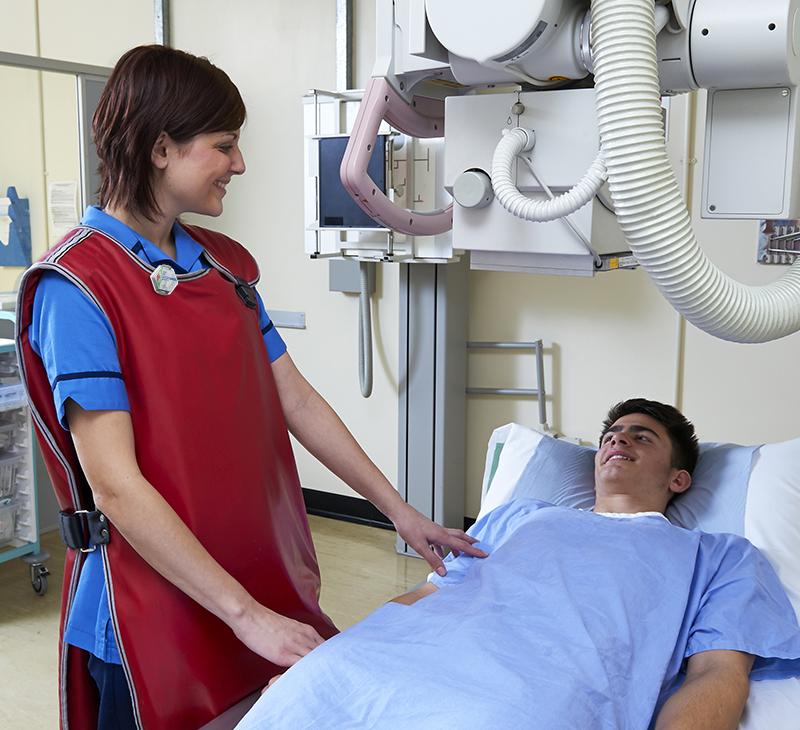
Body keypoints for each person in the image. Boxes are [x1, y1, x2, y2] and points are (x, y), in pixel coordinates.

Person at [15, 45, 484, 730]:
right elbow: (114, 486)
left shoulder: (226, 270)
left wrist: (400, 512)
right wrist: (245, 616)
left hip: (256, 580)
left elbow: (295, 400)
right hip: (150, 607)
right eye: (224, 145)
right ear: (161, 148)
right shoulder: (80, 287)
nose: (239, 164)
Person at [236, 398, 800, 730]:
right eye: (611, 434)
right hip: (400, 661)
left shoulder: (715, 554)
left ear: (679, 479)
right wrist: (336, 653)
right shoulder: (521, 515)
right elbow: (428, 596)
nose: (617, 440)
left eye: (641, 436)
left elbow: (718, 674)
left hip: (525, 692)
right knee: (301, 695)